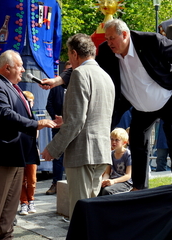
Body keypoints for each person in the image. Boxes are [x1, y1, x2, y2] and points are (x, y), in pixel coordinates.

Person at [41, 19, 172, 191]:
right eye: (106, 39)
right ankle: (139, 188)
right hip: (140, 106)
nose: (109, 43)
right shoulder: (107, 52)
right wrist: (57, 80)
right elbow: (86, 64)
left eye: (111, 38)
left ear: (124, 34)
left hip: (168, 99)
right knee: (138, 145)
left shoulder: (150, 41)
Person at [0, 49, 56, 239]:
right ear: (7, 67)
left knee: (8, 214)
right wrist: (36, 124)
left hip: (16, 156)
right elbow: (4, 115)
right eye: (19, 66)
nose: (23, 69)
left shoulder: (14, 87)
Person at [41, 33, 115, 220]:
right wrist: (66, 122)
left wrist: (53, 148)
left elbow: (77, 121)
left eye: (68, 55)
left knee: (80, 215)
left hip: (82, 153)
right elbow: (94, 116)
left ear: (74, 53)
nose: (69, 60)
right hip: (100, 152)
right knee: (91, 214)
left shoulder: (80, 73)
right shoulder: (106, 76)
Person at [45, 61, 71, 195]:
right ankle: (56, 183)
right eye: (65, 72)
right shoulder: (56, 87)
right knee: (57, 157)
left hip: (73, 128)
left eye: (70, 72)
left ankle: (70, 184)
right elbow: (48, 104)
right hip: (57, 127)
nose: (67, 75)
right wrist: (56, 117)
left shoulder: (77, 86)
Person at [19, 90, 39, 215]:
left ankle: (31, 201)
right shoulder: (18, 115)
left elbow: (36, 136)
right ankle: (23, 203)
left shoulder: (34, 117)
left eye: (30, 101)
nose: (28, 102)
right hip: (20, 150)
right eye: (26, 100)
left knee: (32, 178)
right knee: (21, 179)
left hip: (31, 150)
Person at [100, 128, 132, 195]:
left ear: (124, 142)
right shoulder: (111, 154)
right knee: (98, 189)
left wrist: (114, 181)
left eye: (117, 140)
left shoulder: (128, 155)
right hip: (112, 180)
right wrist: (103, 181)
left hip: (125, 183)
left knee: (107, 191)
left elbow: (128, 175)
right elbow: (107, 173)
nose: (113, 142)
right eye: (112, 139)